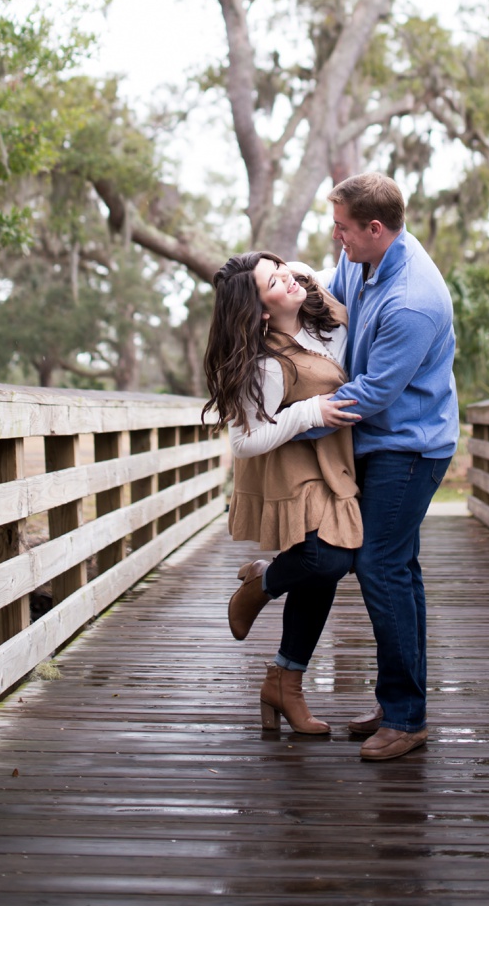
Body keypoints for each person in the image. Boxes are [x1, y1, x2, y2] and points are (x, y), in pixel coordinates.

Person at [317, 172, 460, 762]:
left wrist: (297, 420)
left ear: (376, 229)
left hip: (411, 447)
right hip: (384, 440)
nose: (337, 237)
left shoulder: (413, 301)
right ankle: (401, 702)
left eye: (344, 228)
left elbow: (372, 393)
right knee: (399, 569)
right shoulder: (363, 258)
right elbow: (331, 292)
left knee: (378, 565)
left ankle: (406, 719)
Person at [203, 253, 363, 737]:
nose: (290, 278)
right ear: (262, 312)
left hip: (332, 466)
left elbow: (305, 271)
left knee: (324, 576)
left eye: (284, 271)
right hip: (295, 474)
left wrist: (286, 270)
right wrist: (310, 410)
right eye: (275, 281)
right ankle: (265, 583)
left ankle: (283, 683)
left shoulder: (318, 317)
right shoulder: (265, 365)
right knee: (328, 562)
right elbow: (242, 440)